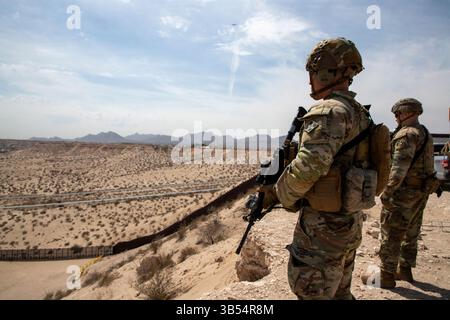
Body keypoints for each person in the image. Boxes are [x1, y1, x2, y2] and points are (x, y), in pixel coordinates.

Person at [273, 37, 372, 299]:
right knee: (340, 292)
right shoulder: (360, 113)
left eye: (313, 73)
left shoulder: (329, 111)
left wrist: (282, 194)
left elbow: (308, 167)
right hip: (348, 224)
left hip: (322, 231)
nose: (310, 81)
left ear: (331, 71)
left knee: (311, 291)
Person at [378, 98, 436, 288]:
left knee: (392, 232)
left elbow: (398, 169)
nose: (396, 118)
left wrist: (387, 192)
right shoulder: (424, 132)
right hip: (421, 191)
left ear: (406, 112)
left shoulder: (407, 135)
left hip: (403, 193)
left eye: (398, 114)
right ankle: (405, 270)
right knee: (411, 232)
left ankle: (386, 276)